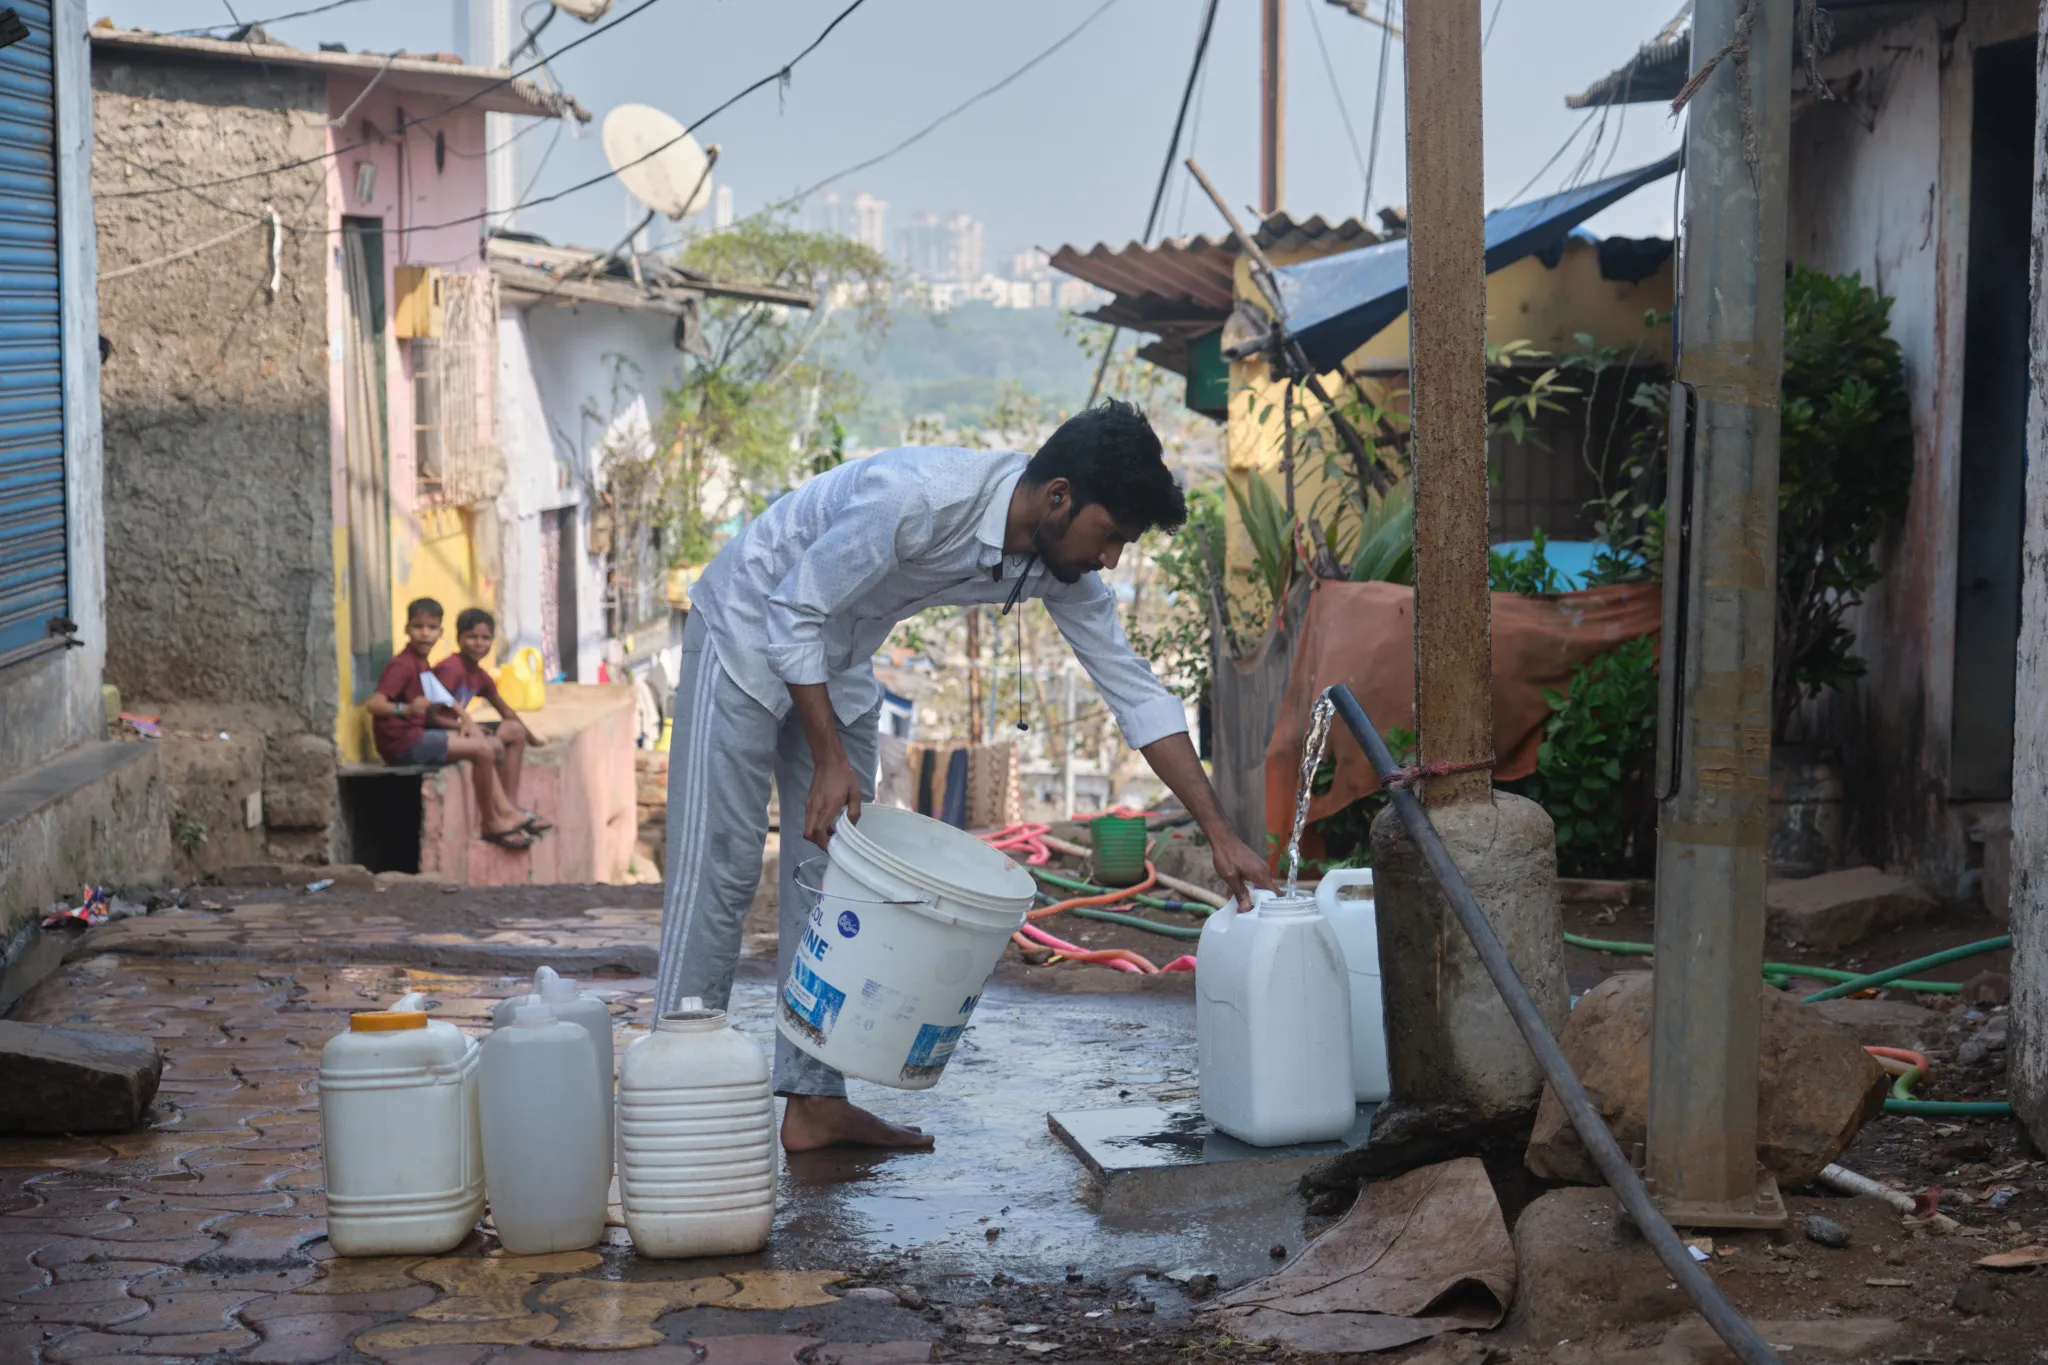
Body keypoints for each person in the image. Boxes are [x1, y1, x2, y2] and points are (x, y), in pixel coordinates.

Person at [659, 400, 1274, 1154]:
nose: (1111, 558)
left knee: (835, 880)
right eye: (1110, 535)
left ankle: (815, 1103)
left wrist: (1222, 834)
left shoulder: (1059, 569)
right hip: (750, 625)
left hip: (839, 659)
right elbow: (794, 609)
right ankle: (678, 1090)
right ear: (1058, 497)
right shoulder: (916, 497)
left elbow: (1137, 693)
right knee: (720, 867)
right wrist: (826, 760)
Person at [364, 598, 535, 850]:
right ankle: (492, 822)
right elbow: (375, 704)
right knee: (483, 750)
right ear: (406, 629)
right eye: (418, 627)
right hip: (402, 743)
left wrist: (466, 723)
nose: (425, 634)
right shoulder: (402, 664)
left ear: (440, 633)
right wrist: (407, 708)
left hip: (415, 735)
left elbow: (446, 700)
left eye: (431, 628)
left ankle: (505, 812)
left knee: (487, 744)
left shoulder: (420, 662)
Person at [434, 608, 551, 834]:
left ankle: (511, 806)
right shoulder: (450, 668)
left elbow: (505, 711)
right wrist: (464, 727)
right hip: (442, 730)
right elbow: (428, 715)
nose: (478, 643)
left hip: (462, 729)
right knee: (491, 744)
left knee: (514, 731)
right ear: (459, 639)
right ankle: (499, 815)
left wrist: (532, 737)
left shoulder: (479, 674)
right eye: (471, 637)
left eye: (485, 638)